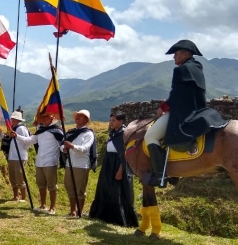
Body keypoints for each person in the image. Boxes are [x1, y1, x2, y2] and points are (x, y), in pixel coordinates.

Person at [144, 39, 227, 187]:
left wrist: (163, 107)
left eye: (176, 54)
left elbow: (176, 94)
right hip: (198, 110)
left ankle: (160, 176)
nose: (173, 57)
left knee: (150, 136)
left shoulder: (181, 70)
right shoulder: (197, 67)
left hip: (183, 113)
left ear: (186, 54)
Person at [89, 112, 139, 227]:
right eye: (110, 120)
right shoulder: (113, 134)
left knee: (117, 191)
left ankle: (118, 219)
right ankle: (103, 215)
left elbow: (126, 154)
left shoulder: (124, 134)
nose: (111, 123)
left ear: (121, 122)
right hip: (109, 163)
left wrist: (121, 170)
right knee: (106, 188)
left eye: (113, 120)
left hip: (119, 164)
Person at [12, 113, 63, 215]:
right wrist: (17, 136)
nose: (45, 120)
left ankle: (52, 207)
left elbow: (61, 145)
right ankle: (43, 205)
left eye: (47, 118)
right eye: (43, 118)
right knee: (41, 185)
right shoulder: (40, 131)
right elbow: (29, 140)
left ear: (52, 119)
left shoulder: (57, 131)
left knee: (52, 186)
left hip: (51, 162)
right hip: (40, 162)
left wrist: (65, 149)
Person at [62, 109, 97, 218]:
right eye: (77, 116)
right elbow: (63, 144)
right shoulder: (70, 132)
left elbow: (85, 148)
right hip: (70, 164)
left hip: (81, 165)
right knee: (70, 188)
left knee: (79, 190)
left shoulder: (88, 134)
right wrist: (64, 148)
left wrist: (72, 146)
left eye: (81, 116)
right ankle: (72, 211)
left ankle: (79, 212)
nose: (77, 117)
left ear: (86, 120)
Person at [0, 111, 30, 202]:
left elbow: (27, 141)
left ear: (15, 119)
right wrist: (0, 133)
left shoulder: (21, 129)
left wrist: (17, 137)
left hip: (20, 156)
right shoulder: (12, 128)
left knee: (20, 176)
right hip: (12, 156)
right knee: (13, 177)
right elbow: (6, 140)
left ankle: (23, 197)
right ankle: (16, 196)